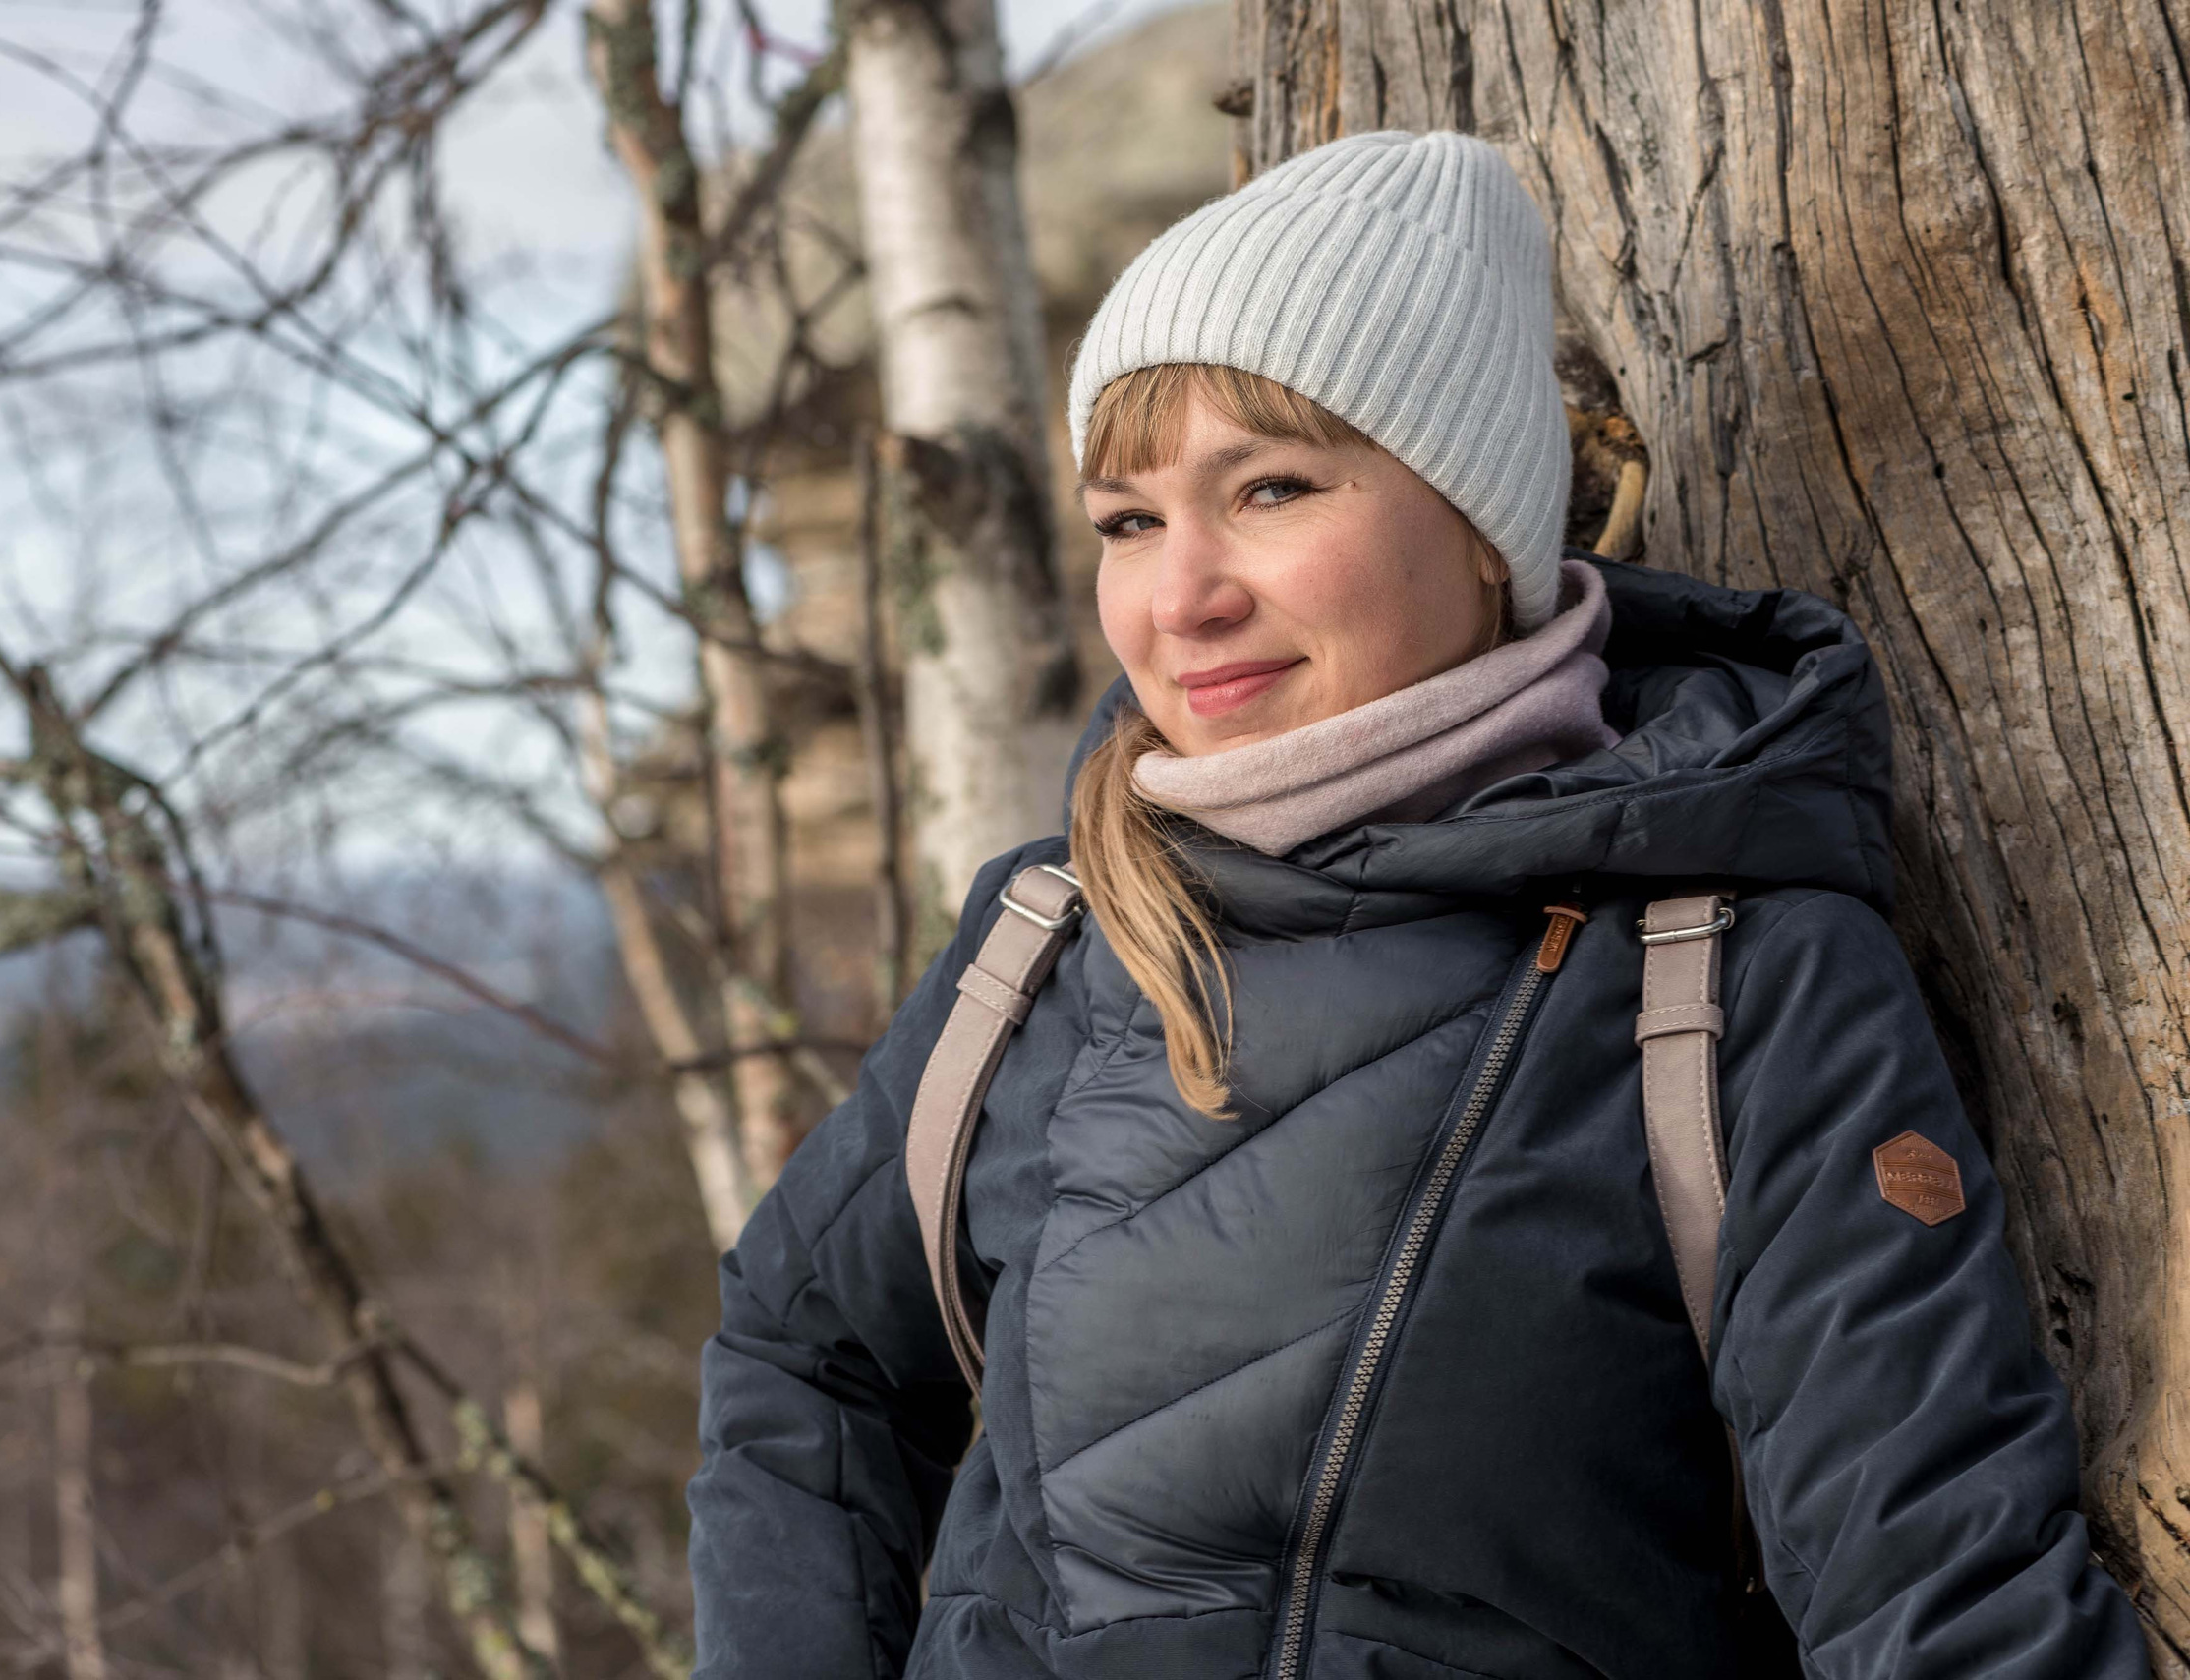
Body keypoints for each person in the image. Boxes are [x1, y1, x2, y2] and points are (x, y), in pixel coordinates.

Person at [683, 130, 2150, 1679]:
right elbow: (804, 1354)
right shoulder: (1051, 933)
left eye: (1271, 488)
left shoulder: (1724, 973)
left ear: (1479, 520)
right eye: (1127, 518)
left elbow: (1934, 1583)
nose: (1181, 597)